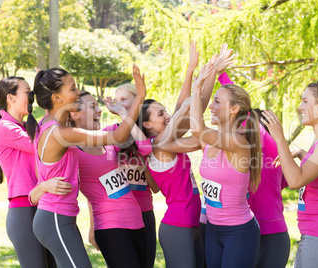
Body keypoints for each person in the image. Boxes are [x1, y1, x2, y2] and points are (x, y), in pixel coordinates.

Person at [27, 64, 146, 267]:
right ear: (57, 98)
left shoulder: (49, 126)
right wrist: (140, 97)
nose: (78, 92)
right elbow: (118, 136)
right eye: (72, 89)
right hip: (54, 218)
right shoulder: (60, 133)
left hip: (60, 218)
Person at [137, 41, 222, 268]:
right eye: (160, 114)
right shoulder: (159, 146)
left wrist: (202, 71)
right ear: (147, 124)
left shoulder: (169, 140)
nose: (166, 116)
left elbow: (196, 106)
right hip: (178, 227)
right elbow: (197, 130)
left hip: (191, 225)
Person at [262, 80, 318, 268]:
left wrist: (279, 137)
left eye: (305, 101)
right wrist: (301, 154)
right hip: (315, 233)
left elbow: (295, 180)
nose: (300, 107)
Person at [0, 76, 71, 267]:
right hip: (23, 211)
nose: (32, 96)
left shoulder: (27, 126)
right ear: (11, 98)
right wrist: (49, 105)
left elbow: (46, 133)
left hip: (41, 206)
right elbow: (43, 144)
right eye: (28, 92)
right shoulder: (6, 127)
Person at [68, 91, 150, 268]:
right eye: (93, 107)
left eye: (98, 106)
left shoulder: (110, 136)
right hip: (110, 226)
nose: (99, 110)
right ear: (75, 114)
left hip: (137, 221)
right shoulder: (73, 152)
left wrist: (122, 113)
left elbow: (145, 148)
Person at [217, 72, 290, 267]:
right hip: (252, 231)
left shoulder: (264, 144)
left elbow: (240, 107)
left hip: (266, 234)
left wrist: (222, 75)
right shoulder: (260, 155)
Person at [188, 76, 262, 267]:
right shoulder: (211, 142)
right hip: (213, 229)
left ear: (234, 109)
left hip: (239, 232)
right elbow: (188, 132)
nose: (211, 106)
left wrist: (196, 90)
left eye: (217, 101)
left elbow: (197, 128)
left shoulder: (239, 143)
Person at [114, 83, 160, 268]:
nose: (119, 104)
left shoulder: (149, 136)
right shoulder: (110, 132)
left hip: (144, 212)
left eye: (124, 100)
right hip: (118, 214)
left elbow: (156, 188)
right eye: (117, 100)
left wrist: (143, 164)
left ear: (138, 102)